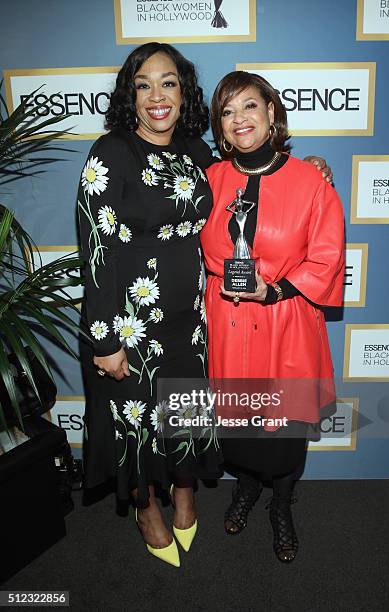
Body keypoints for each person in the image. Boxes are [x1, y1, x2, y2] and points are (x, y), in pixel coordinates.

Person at [77, 42, 334, 568]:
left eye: (168, 82)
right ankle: (149, 510)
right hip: (131, 322)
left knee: (191, 418)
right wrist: (104, 338)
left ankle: (194, 496)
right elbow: (94, 248)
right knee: (136, 427)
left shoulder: (197, 154)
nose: (156, 95)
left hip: (193, 321)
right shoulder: (111, 153)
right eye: (143, 84)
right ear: (131, 93)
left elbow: (265, 180)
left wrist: (309, 167)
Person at [200, 71, 344, 563]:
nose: (240, 119)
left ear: (272, 114)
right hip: (226, 321)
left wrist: (276, 288)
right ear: (219, 126)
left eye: (250, 107)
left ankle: (281, 504)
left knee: (282, 433)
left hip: (286, 321)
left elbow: (326, 258)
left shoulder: (310, 180)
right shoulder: (209, 180)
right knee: (238, 424)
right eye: (227, 111)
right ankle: (246, 488)